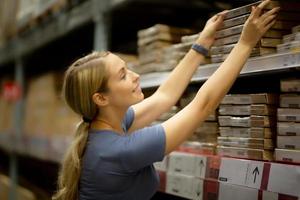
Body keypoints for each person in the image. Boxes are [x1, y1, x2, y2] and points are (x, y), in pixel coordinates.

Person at [52, 1, 279, 199]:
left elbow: (165, 96)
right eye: (123, 75)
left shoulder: (107, 126)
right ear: (101, 98)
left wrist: (201, 45)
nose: (135, 75)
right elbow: (203, 105)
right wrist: (245, 44)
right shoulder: (120, 151)